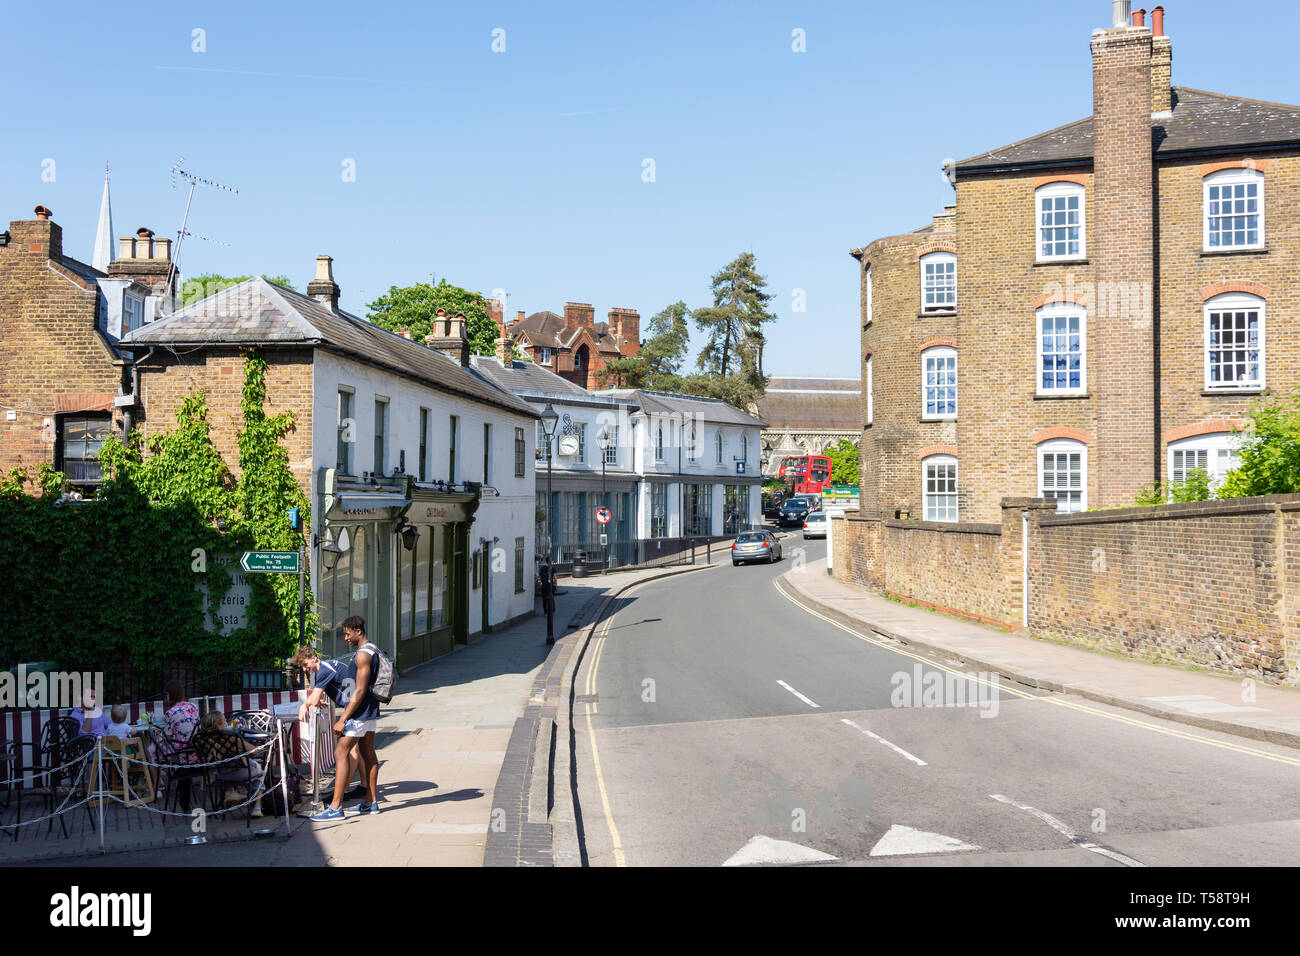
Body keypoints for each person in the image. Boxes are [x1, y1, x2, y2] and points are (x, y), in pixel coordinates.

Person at [291, 618, 381, 821]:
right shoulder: (370, 649)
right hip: (368, 709)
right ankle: (371, 803)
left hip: (358, 711)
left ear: (358, 631)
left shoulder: (362, 654)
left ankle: (335, 808)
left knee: (341, 752)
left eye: (348, 634)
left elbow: (358, 691)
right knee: (368, 754)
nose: (346, 638)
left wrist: (342, 719)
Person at [198, 710, 265, 819]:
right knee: (261, 771)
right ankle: (257, 806)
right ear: (219, 725)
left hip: (221, 775)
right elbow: (254, 751)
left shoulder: (202, 739)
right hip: (241, 773)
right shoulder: (231, 737)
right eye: (225, 720)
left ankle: (231, 792)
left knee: (246, 766)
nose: (227, 722)